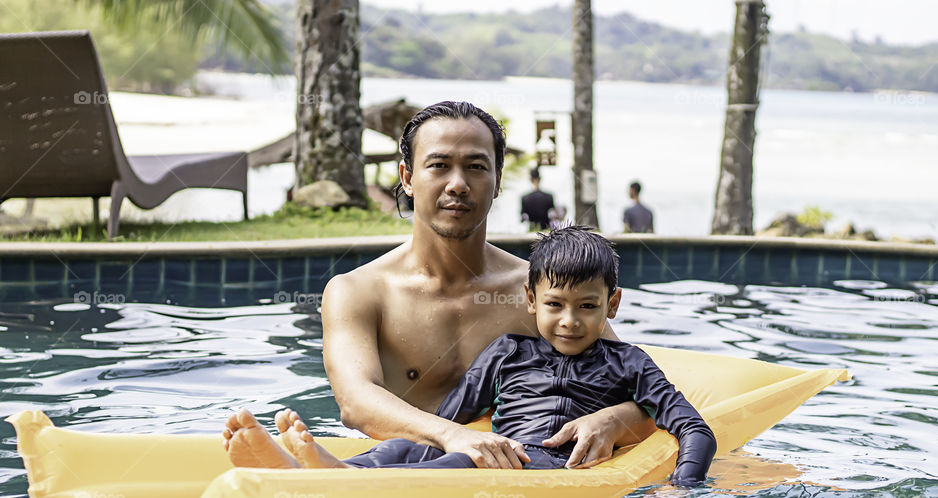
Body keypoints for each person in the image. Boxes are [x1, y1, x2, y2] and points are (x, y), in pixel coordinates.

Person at [222, 101, 653, 472]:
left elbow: (633, 385)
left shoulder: (543, 296)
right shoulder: (360, 291)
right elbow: (354, 402)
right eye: (439, 165)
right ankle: (325, 475)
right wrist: (453, 438)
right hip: (398, 463)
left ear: (498, 181)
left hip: (515, 471)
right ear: (408, 178)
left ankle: (313, 475)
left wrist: (615, 419)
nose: (458, 184)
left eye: (476, 167)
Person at [224, 227, 716, 485]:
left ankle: (339, 480)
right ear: (530, 301)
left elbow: (693, 427)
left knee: (464, 463)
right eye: (554, 306)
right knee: (411, 449)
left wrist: (683, 487)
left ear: (612, 304)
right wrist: (435, 440)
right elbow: (449, 418)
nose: (570, 321)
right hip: (505, 450)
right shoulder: (508, 352)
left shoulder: (627, 363)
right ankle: (335, 468)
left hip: (546, 466)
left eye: (588, 307)